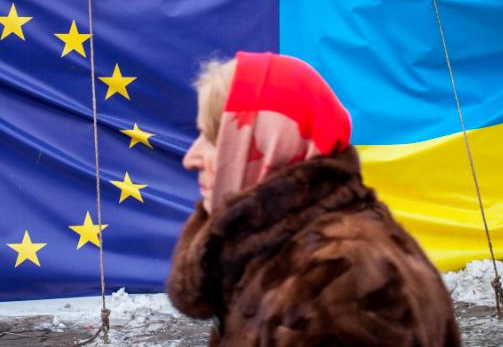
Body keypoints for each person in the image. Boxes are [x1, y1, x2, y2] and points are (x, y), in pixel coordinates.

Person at [166, 51, 461, 346]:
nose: (190, 158)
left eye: (213, 139)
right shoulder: (294, 254)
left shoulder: (340, 278)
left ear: (271, 145)